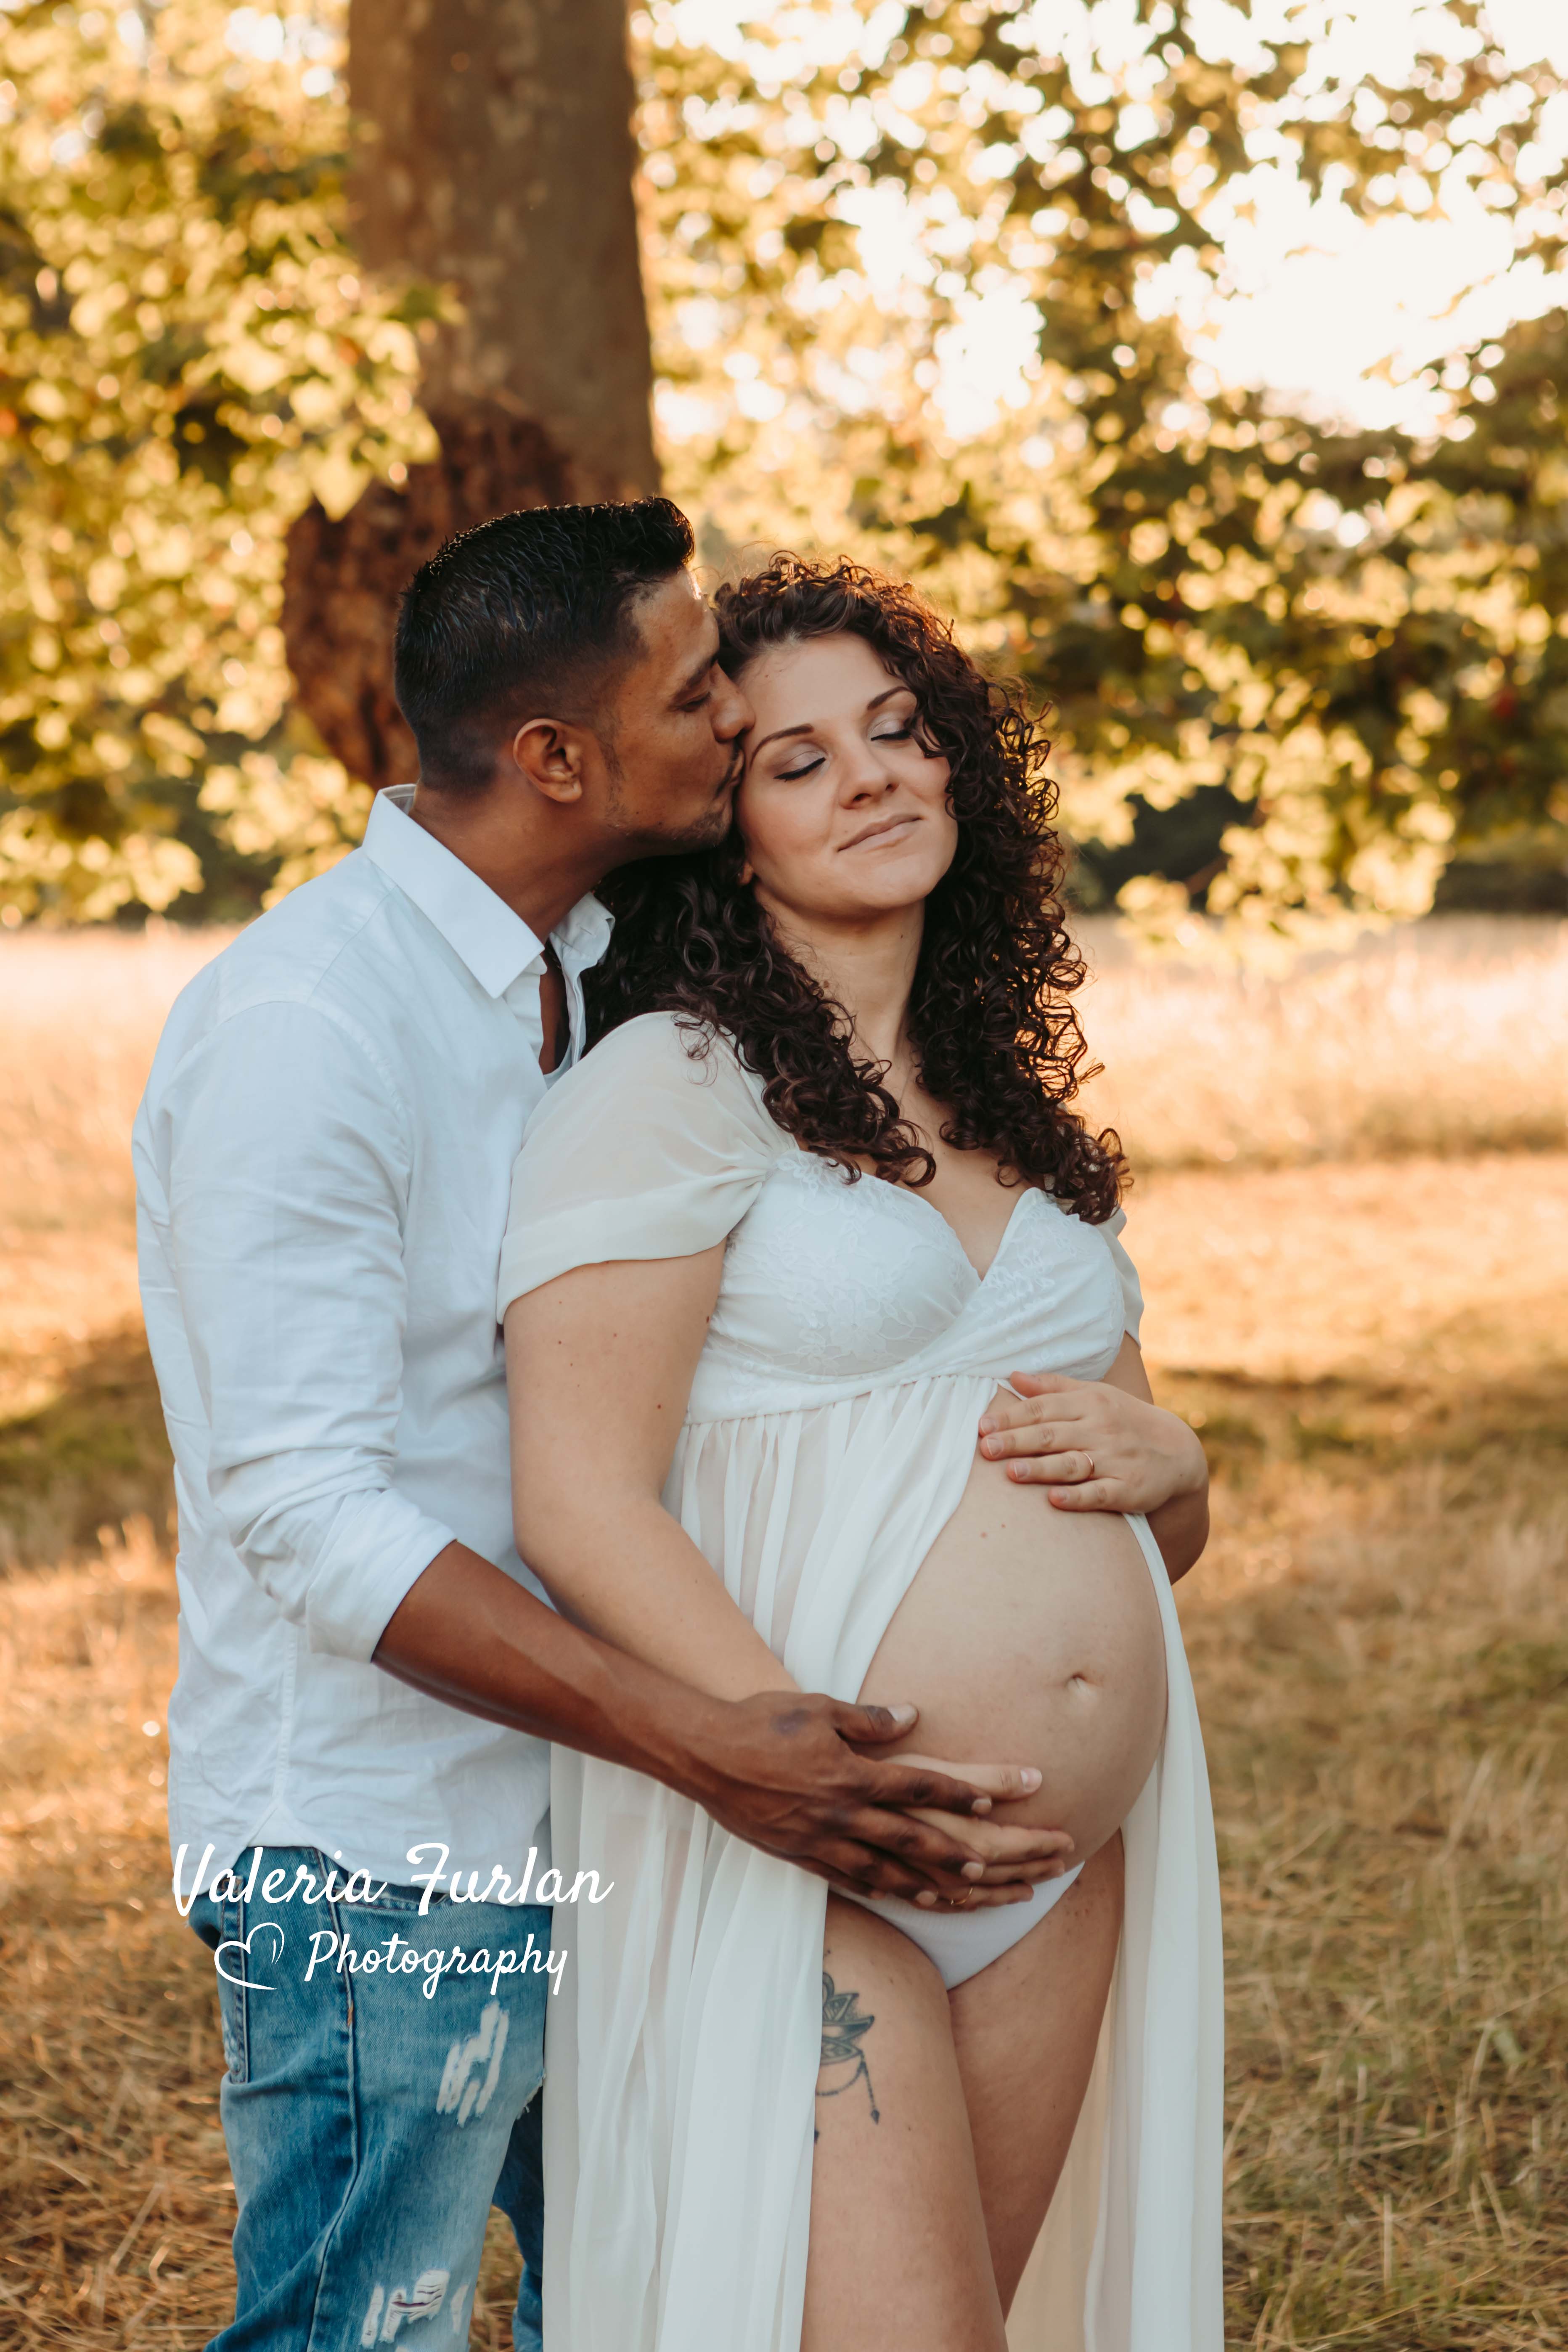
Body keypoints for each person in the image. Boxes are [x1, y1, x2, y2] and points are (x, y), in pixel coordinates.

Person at [132, 502, 1189, 2351]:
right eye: (714, 701)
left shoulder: (593, 966)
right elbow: (303, 1510)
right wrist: (721, 1744)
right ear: (559, 753)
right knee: (352, 2333)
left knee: (630, 2311)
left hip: (643, 1784)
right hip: (403, 1834)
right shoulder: (313, 1022)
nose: (738, 727)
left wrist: (1173, 1480)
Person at [498, 553, 1223, 2352]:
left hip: (1055, 1869)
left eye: (898, 734)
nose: (876, 776)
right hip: (796, 1854)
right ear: (725, 829)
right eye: (800, 760)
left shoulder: (1012, 1114)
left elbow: (1139, 1505)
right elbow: (575, 1497)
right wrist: (798, 1768)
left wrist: (1179, 1463)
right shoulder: (670, 1085)